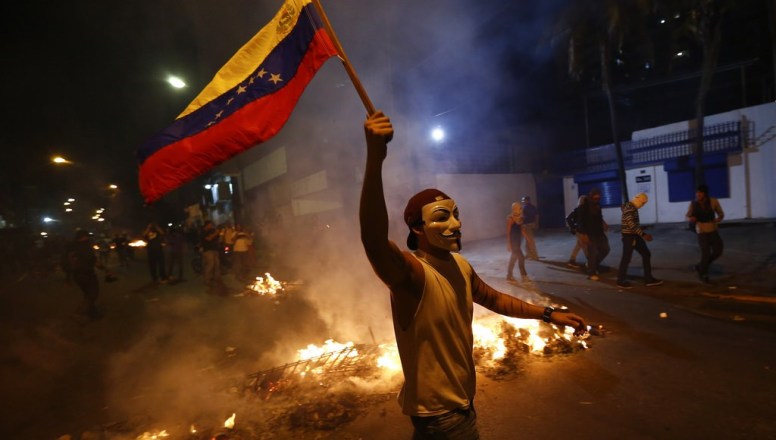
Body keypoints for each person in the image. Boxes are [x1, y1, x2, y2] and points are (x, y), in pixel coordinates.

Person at [359, 111, 587, 439]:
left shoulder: (460, 265)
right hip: (443, 418)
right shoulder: (411, 274)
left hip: (460, 405)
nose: (455, 224)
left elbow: (494, 298)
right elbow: (373, 239)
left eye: (456, 214)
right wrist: (375, 159)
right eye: (441, 218)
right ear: (416, 228)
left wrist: (550, 314)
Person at [616, 193, 663, 288]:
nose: (643, 205)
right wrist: (644, 234)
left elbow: (633, 224)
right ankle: (620, 281)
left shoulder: (631, 207)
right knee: (626, 258)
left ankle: (648, 279)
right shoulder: (630, 208)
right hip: (629, 237)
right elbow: (631, 225)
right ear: (639, 200)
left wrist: (642, 229)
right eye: (643, 203)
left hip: (634, 236)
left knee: (646, 254)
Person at [686, 184, 724, 283]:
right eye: (697, 192)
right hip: (701, 231)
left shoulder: (713, 201)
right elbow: (687, 215)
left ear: (705, 193)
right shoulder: (693, 204)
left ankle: (701, 266)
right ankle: (703, 273)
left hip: (712, 229)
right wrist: (691, 218)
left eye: (700, 192)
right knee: (706, 253)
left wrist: (718, 219)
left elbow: (721, 213)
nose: (698, 194)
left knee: (718, 251)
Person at [62, 230, 102, 320]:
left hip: (77, 275)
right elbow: (92, 259)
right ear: (82, 237)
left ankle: (93, 314)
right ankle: (79, 312)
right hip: (87, 274)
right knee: (93, 294)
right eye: (86, 236)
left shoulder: (71, 247)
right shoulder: (84, 247)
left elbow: (66, 262)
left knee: (87, 294)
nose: (87, 238)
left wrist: (68, 277)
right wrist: (103, 268)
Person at [575, 188, 610, 281]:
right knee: (592, 253)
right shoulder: (583, 207)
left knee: (605, 249)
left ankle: (592, 264)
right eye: (595, 198)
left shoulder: (597, 205)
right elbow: (580, 222)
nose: (597, 199)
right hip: (589, 233)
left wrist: (604, 223)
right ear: (590, 197)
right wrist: (583, 234)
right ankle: (591, 273)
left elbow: (599, 217)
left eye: (598, 198)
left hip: (599, 232)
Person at [506, 202, 529, 282]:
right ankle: (524, 275)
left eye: (520, 208)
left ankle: (509, 275)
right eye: (518, 208)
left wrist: (527, 238)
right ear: (514, 208)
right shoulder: (510, 219)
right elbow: (508, 232)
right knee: (521, 258)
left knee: (514, 258)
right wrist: (508, 244)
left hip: (518, 241)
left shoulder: (520, 218)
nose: (520, 209)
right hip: (513, 242)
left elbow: (522, 230)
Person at [200, 220, 224, 293]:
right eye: (210, 225)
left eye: (212, 225)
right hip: (207, 250)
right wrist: (216, 233)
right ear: (206, 225)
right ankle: (207, 279)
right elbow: (209, 238)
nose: (211, 226)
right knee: (210, 264)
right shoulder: (203, 232)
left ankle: (217, 278)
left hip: (215, 249)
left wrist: (220, 234)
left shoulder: (212, 230)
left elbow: (218, 239)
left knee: (217, 264)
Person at [565, 195, 588, 268]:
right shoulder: (581, 209)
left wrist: (573, 227)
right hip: (581, 231)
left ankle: (572, 259)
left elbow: (568, 218)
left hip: (579, 230)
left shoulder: (578, 209)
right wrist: (573, 227)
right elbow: (568, 218)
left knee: (579, 245)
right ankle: (591, 261)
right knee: (585, 246)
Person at [520, 196, 539, 260]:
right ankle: (528, 254)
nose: (522, 201)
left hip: (527, 225)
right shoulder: (533, 207)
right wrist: (536, 224)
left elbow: (522, 217)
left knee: (530, 241)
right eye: (522, 200)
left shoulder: (524, 208)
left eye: (523, 200)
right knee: (527, 241)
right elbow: (536, 216)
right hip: (531, 224)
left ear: (527, 200)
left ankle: (535, 256)